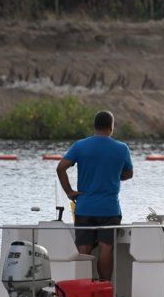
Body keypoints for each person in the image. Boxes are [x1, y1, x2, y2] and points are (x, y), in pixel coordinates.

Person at [56, 110, 133, 280]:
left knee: (83, 249)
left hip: (84, 207)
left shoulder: (80, 146)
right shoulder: (121, 148)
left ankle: (82, 285)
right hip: (109, 209)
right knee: (106, 248)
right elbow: (129, 174)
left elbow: (61, 168)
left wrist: (69, 191)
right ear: (111, 127)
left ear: (94, 126)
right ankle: (104, 285)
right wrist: (114, 175)